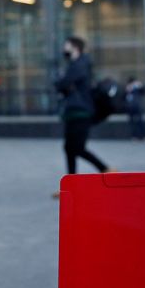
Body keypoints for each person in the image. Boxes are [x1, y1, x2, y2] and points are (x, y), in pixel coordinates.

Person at [53, 36, 111, 196]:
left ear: (74, 47)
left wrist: (63, 83)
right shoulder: (75, 65)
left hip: (81, 111)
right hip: (73, 112)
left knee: (76, 148)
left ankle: (105, 169)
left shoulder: (81, 64)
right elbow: (63, 84)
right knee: (69, 148)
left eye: (66, 45)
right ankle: (71, 186)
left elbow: (62, 84)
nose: (64, 49)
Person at [125, 76, 145, 141]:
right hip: (130, 107)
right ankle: (134, 136)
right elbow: (123, 97)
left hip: (137, 107)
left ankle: (142, 136)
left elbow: (144, 92)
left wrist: (141, 86)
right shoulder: (127, 88)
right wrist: (128, 90)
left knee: (140, 122)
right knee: (132, 123)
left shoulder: (137, 88)